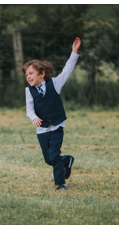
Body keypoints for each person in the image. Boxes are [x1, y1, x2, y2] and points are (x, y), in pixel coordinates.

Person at [24, 37, 81, 191]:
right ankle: (67, 160)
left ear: (42, 73)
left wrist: (74, 52)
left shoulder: (55, 84)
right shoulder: (28, 91)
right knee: (49, 159)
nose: (28, 76)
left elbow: (67, 69)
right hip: (42, 130)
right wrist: (34, 117)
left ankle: (61, 183)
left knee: (54, 155)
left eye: (31, 73)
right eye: (26, 75)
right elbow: (29, 109)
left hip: (56, 127)